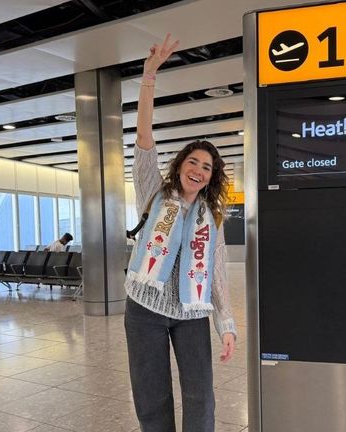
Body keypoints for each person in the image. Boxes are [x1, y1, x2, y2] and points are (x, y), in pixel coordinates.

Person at [124, 34, 236, 432]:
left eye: (207, 167)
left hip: (192, 312)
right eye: (194, 161)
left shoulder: (212, 216)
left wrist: (226, 325)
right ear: (181, 165)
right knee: (151, 396)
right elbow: (143, 142)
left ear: (210, 177)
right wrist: (148, 77)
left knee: (200, 395)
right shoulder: (154, 190)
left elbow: (217, 272)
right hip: (144, 309)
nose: (199, 170)